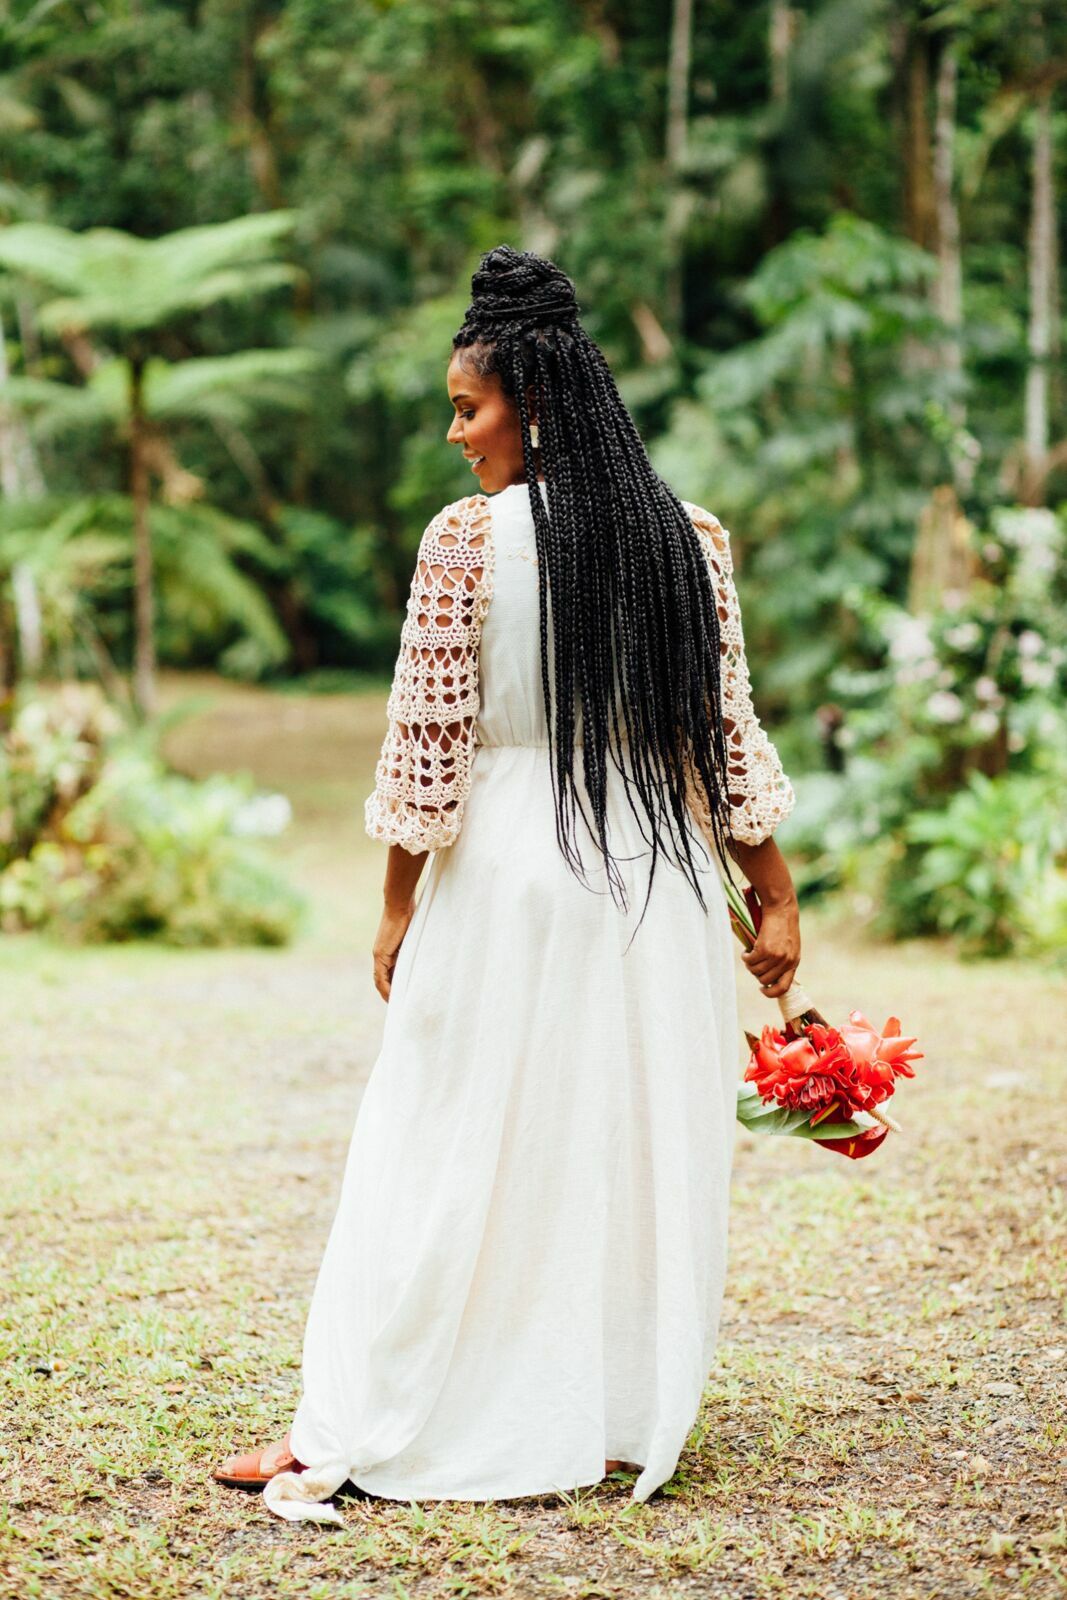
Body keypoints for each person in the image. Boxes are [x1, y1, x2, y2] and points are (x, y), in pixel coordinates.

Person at [212, 245, 801, 1523]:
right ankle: (602, 1417)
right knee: (618, 1140)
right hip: (650, 882)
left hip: (506, 874)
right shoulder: (683, 537)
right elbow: (723, 740)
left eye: (465, 408)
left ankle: (372, 1411)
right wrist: (776, 894)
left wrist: (394, 901)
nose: (453, 432)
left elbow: (427, 746)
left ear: (526, 404)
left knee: (437, 1140)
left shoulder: (468, 541)